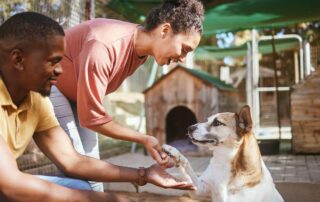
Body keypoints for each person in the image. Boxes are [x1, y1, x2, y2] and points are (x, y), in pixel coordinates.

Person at [0, 12, 195, 202]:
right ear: (18, 60)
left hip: (72, 101)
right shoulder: (103, 44)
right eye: (53, 62)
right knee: (88, 192)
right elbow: (11, 186)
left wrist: (144, 174)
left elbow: (72, 161)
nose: (60, 71)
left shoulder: (35, 99)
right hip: (7, 186)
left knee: (83, 187)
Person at [50, 0, 204, 191]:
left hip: (75, 97)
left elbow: (90, 116)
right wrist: (143, 138)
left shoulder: (142, 52)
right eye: (185, 49)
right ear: (164, 30)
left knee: (92, 173)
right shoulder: (104, 45)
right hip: (50, 86)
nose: (182, 58)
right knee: (78, 172)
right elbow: (92, 118)